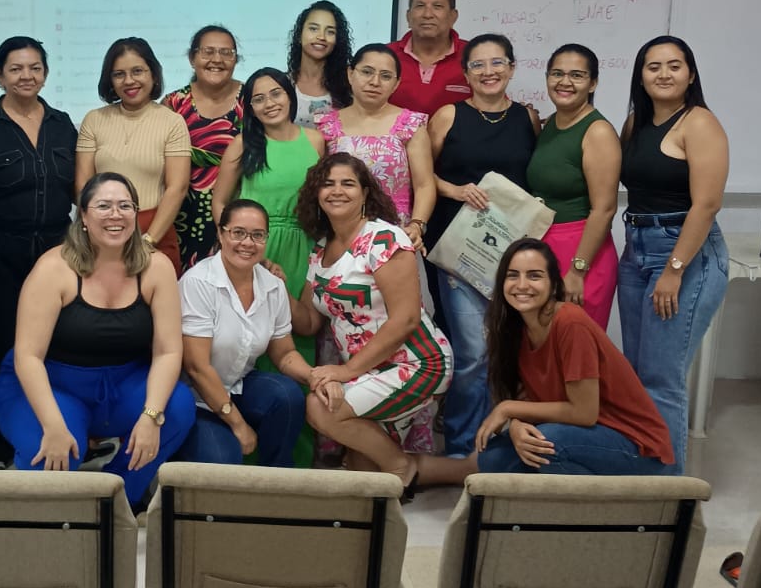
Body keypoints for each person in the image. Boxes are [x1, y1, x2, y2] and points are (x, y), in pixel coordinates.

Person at [0, 171, 197, 509]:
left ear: (136, 214)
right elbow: (28, 356)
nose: (116, 215)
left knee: (176, 407)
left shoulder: (157, 267)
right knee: (55, 457)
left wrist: (151, 416)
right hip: (50, 383)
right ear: (83, 216)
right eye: (103, 206)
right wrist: (53, 426)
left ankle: (114, 501)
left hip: (123, 385)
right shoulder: (53, 268)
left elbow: (168, 351)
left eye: (125, 206)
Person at [286, 154, 452, 486]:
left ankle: (400, 468)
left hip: (418, 362)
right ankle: (469, 470)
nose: (337, 191)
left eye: (347, 183)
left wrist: (346, 371)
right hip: (370, 370)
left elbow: (406, 319)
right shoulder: (320, 250)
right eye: (328, 184)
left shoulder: (386, 238)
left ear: (365, 192)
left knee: (320, 409)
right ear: (317, 193)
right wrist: (274, 286)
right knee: (364, 470)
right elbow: (309, 323)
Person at [0, 36, 78, 465]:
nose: (26, 76)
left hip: (56, 255)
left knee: (57, 345)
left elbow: (79, 193)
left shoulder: (64, 125)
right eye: (15, 68)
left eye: (35, 68)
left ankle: (55, 430)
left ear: (45, 73)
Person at [467, 238, 675, 478]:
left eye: (534, 276)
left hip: (636, 446)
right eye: (512, 275)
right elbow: (524, 400)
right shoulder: (513, 329)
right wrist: (515, 425)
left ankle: (597, 497)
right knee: (492, 459)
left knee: (548, 443)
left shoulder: (570, 322)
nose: (522, 285)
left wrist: (506, 409)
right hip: (578, 435)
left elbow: (584, 413)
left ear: (554, 285)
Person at [618, 35, 729, 473]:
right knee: (636, 372)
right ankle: (643, 471)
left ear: (691, 74)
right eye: (653, 66)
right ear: (641, 76)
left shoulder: (699, 123)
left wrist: (674, 270)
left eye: (674, 65)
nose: (663, 74)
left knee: (662, 378)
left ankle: (668, 492)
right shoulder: (634, 124)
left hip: (684, 252)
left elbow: (707, 204)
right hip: (636, 248)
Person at [425, 33, 538, 458]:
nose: (489, 72)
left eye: (497, 62)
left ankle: (496, 440)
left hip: (512, 254)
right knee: (473, 352)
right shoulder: (448, 116)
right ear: (466, 72)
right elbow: (420, 173)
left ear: (512, 67)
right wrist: (455, 190)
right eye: (478, 64)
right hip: (459, 250)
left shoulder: (527, 118)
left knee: (507, 349)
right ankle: (460, 449)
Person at [177, 199, 317, 466]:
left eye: (257, 235)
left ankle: (276, 480)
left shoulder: (273, 286)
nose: (247, 243)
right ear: (221, 234)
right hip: (196, 397)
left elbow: (285, 353)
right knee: (222, 462)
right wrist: (238, 425)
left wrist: (315, 378)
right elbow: (197, 368)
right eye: (238, 233)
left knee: (287, 396)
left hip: (238, 385)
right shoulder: (198, 283)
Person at [212, 68, 326, 363]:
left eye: (276, 94)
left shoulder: (315, 140)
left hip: (304, 245)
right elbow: (220, 200)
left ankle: (299, 388)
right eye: (259, 99)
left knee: (299, 325)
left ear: (290, 96)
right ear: (250, 108)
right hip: (255, 245)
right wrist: (233, 241)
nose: (270, 103)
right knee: (251, 327)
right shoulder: (243, 144)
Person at [525, 43, 620, 329]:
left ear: (593, 83)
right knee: (542, 344)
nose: (565, 82)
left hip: (580, 252)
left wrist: (578, 270)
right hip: (544, 246)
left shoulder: (598, 131)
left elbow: (604, 209)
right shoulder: (551, 124)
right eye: (557, 73)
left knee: (577, 344)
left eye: (577, 75)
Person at [76, 38, 191, 273]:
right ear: (110, 80)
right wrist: (99, 231)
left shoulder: (172, 122)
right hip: (102, 231)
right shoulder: (94, 120)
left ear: (153, 75)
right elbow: (83, 185)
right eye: (119, 74)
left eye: (138, 71)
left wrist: (148, 241)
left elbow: (177, 188)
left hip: (154, 230)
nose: (129, 81)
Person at [315, 43, 435, 248]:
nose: (375, 82)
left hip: (395, 232)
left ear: (396, 84)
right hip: (340, 230)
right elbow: (317, 183)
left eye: (386, 76)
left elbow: (424, 184)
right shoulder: (326, 125)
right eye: (367, 72)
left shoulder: (411, 125)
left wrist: (417, 225)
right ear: (350, 74)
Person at [162, 24, 244, 269]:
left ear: (235, 60)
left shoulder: (251, 99)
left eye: (226, 53)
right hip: (182, 214)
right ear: (192, 58)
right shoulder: (174, 104)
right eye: (208, 52)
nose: (217, 59)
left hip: (237, 212)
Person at [388, 0, 470, 118]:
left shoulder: (474, 57)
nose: (427, 14)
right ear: (408, 16)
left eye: (437, 6)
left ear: (453, 16)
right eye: (420, 6)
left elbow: (495, 107)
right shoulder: (385, 56)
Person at [285, 0, 353, 128]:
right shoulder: (282, 85)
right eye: (313, 29)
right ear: (299, 35)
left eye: (330, 32)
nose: (321, 37)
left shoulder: (348, 87)